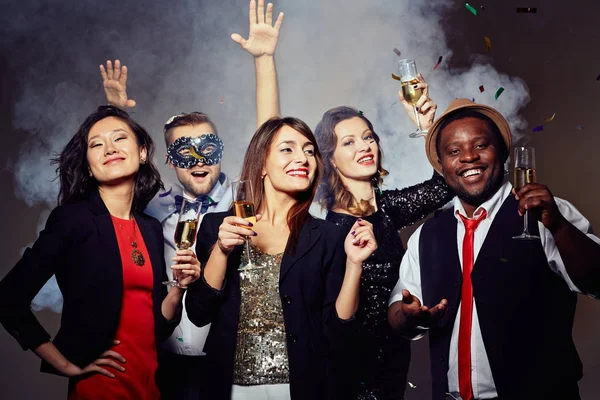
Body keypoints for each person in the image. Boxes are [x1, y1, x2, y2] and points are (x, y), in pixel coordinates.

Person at [99, 1, 284, 397]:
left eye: (206, 148)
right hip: (163, 363)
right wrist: (115, 115)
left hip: (228, 361)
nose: (198, 160)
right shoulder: (150, 208)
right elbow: (111, 170)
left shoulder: (245, 198)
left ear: (220, 150)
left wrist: (264, 61)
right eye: (185, 151)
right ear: (168, 159)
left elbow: (271, 137)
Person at [388, 98, 600, 400]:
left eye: (481, 145)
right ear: (442, 165)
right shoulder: (427, 236)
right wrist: (409, 317)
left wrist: (560, 227)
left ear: (502, 153)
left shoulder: (546, 214)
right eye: (454, 151)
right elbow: (398, 312)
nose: (468, 158)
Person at [0, 106, 200, 399]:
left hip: (152, 385)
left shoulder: (150, 229)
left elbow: (155, 329)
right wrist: (65, 364)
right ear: (89, 164)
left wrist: (178, 290)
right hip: (102, 388)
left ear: (142, 152)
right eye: (97, 144)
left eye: (120, 138)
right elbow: (8, 299)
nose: (109, 148)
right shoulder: (73, 220)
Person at [185, 116, 377, 400]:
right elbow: (199, 313)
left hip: (304, 387)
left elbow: (339, 333)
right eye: (288, 149)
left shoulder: (329, 237)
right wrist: (222, 251)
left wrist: (354, 264)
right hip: (229, 387)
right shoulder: (218, 226)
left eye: (309, 151)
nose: (302, 158)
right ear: (262, 163)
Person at [313, 77, 454, 400]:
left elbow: (444, 185)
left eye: (368, 137)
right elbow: (331, 323)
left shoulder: (388, 209)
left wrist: (426, 126)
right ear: (330, 158)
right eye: (348, 142)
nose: (364, 146)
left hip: (393, 365)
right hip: (348, 375)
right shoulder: (328, 230)